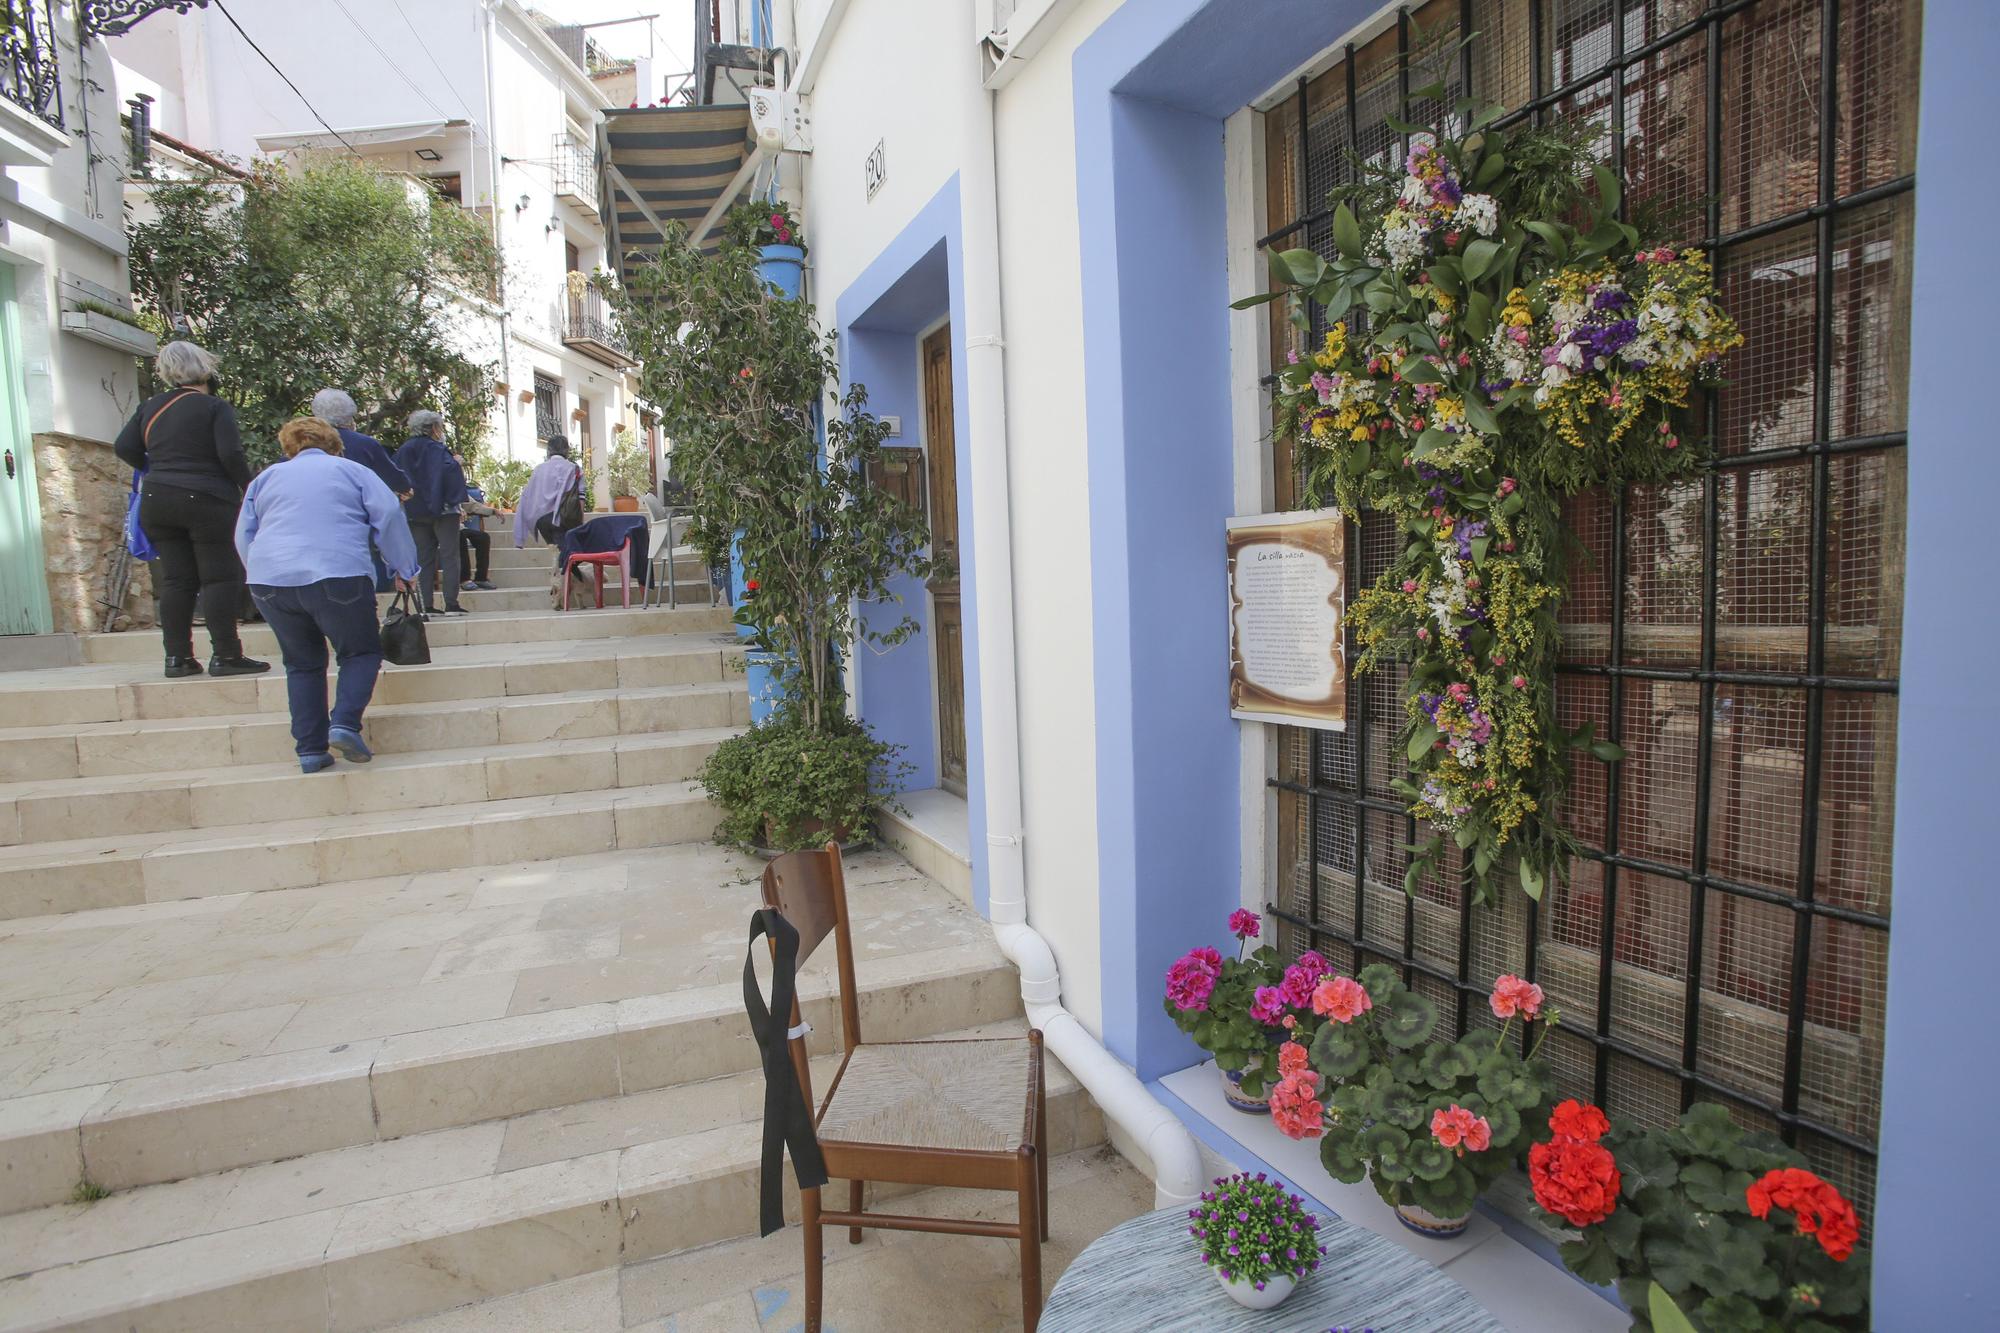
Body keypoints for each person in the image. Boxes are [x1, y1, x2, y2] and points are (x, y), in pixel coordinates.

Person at [235, 417, 419, 773]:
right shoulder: (352, 471)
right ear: (335, 443)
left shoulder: (265, 478)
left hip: (271, 581)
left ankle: (310, 750)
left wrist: (258, 570)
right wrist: (406, 568)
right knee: (361, 652)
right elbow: (390, 516)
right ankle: (345, 724)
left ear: (288, 446)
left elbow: (244, 531)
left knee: (301, 663)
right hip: (338, 573)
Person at [114, 341, 269, 680]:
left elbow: (123, 446)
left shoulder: (150, 407)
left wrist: (158, 470)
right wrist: (251, 489)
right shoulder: (214, 407)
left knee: (177, 580)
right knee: (219, 577)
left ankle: (177, 658)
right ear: (206, 368)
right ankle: (226, 654)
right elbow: (230, 454)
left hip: (158, 500)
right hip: (207, 498)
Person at [311, 388, 414, 593]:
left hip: (312, 519)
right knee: (372, 550)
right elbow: (391, 474)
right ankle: (377, 594)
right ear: (350, 414)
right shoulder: (364, 444)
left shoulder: (301, 447)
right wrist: (405, 488)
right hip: (356, 515)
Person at [395, 410, 470, 616]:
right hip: (445, 511)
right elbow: (450, 475)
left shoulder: (404, 450)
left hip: (415, 510)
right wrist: (457, 464)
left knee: (424, 557)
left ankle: (426, 603)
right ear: (435, 428)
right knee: (449, 555)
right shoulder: (439, 450)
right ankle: (451, 603)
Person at [514, 434, 584, 562]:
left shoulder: (539, 470)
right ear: (567, 450)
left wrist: (520, 536)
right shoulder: (574, 469)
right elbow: (580, 497)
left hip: (542, 520)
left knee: (560, 554)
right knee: (572, 556)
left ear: (549, 450)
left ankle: (565, 577)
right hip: (565, 519)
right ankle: (566, 578)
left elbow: (526, 498)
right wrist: (579, 522)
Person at [451, 449, 498, 591]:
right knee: (459, 538)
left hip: (459, 527)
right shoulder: (436, 483)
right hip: (444, 527)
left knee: (483, 538)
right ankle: (464, 579)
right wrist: (454, 513)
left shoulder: (457, 486)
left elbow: (472, 505)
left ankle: (481, 578)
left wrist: (493, 511)